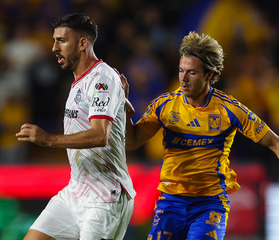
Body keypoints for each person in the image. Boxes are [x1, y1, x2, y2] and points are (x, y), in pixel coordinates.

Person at [121, 31, 279, 240]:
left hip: (209, 203)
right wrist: (122, 109)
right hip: (171, 201)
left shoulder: (229, 109)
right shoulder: (164, 106)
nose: (183, 79)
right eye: (180, 71)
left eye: (192, 73)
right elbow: (132, 143)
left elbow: (274, 142)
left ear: (209, 75)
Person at [15, 13, 136, 240]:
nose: (54, 48)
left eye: (61, 40)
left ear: (82, 43)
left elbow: (101, 135)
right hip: (76, 191)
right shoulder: (79, 80)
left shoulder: (102, 79)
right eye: (54, 40)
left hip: (104, 198)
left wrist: (48, 139)